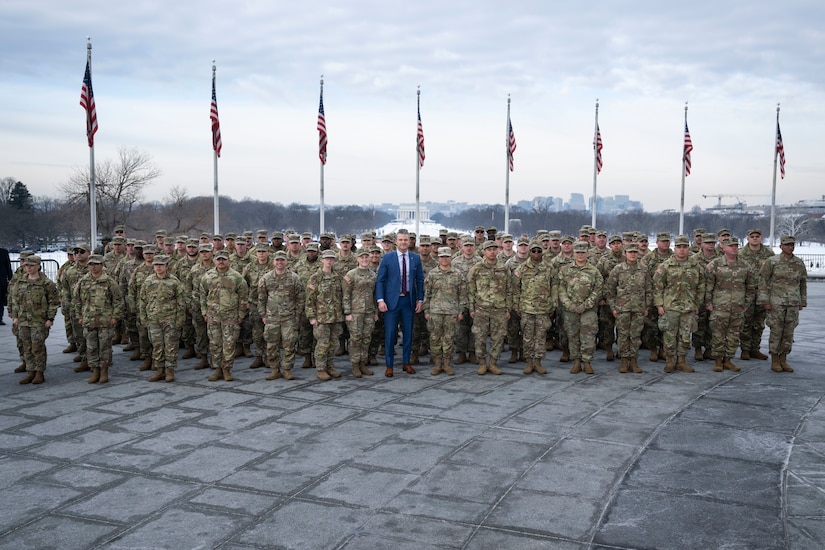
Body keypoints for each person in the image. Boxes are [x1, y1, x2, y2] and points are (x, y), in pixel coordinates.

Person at [375, 228, 424, 377]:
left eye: (406, 240)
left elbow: (420, 280)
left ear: (409, 242)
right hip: (391, 302)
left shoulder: (415, 258)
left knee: (408, 333)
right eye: (400, 240)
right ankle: (389, 365)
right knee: (390, 333)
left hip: (408, 301)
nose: (403, 242)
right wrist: (380, 300)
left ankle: (406, 362)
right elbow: (380, 281)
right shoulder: (388, 258)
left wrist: (420, 299)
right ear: (396, 242)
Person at [653, 235, 705, 373]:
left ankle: (681, 361)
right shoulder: (665, 266)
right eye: (679, 247)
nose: (682, 250)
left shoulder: (695, 266)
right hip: (670, 307)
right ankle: (669, 361)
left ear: (689, 248)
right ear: (674, 248)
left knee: (685, 336)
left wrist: (697, 304)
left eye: (685, 247)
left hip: (688, 307)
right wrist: (659, 305)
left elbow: (701, 287)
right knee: (669, 336)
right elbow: (658, 287)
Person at [705, 237, 755, 372]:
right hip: (719, 307)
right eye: (731, 245)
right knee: (718, 335)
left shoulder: (745, 265)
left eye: (736, 245)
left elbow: (751, 287)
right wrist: (708, 303)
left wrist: (746, 304)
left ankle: (728, 360)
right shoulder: (715, 264)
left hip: (738, 307)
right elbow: (708, 285)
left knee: (734, 336)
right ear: (723, 248)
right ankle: (717, 361)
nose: (734, 248)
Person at [758, 235, 807, 373]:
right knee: (776, 331)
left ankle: (784, 358)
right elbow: (763, 282)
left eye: (792, 244)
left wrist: (802, 301)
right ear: (781, 246)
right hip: (776, 303)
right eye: (787, 245)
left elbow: (802, 283)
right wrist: (764, 301)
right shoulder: (772, 262)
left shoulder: (798, 263)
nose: (790, 247)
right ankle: (775, 359)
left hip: (792, 303)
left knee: (789, 332)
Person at [9, 255, 59, 384]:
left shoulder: (47, 283)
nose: (28, 268)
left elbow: (53, 302)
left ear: (38, 266)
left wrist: (50, 318)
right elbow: (14, 300)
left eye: (31, 265)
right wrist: (15, 316)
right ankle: (30, 371)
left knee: (38, 347)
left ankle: (39, 372)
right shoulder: (20, 282)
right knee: (27, 347)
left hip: (39, 320)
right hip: (23, 320)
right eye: (26, 265)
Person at [199, 250, 248, 381]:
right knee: (215, 343)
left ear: (228, 261)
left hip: (230, 317)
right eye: (219, 259)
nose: (221, 261)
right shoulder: (207, 276)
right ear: (214, 260)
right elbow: (202, 295)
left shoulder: (236, 277)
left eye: (224, 259)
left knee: (229, 344)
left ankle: (227, 369)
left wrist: (241, 314)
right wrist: (204, 312)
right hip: (213, 316)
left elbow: (243, 297)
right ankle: (217, 369)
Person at [74, 254, 123, 384]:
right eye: (91, 264)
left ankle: (104, 371)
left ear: (102, 265)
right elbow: (77, 300)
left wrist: (115, 317)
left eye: (96, 264)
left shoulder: (109, 282)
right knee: (91, 347)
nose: (93, 267)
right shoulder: (83, 281)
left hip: (105, 321)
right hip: (89, 320)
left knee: (105, 347)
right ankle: (95, 370)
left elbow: (118, 300)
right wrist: (79, 316)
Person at [258, 251, 304, 380]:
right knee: (271, 344)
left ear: (286, 261)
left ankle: (287, 369)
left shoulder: (294, 278)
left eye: (282, 260)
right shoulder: (266, 278)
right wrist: (263, 314)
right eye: (277, 260)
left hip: (289, 317)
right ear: (273, 262)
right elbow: (261, 298)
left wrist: (298, 314)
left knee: (289, 344)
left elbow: (300, 298)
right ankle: (275, 369)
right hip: (271, 317)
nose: (280, 263)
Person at [139, 254, 186, 382]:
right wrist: (143, 317)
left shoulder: (174, 282)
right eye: (156, 265)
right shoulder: (148, 281)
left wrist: (180, 320)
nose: (158, 267)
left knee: (171, 345)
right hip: (153, 319)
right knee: (157, 345)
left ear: (166, 266)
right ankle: (159, 370)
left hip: (170, 319)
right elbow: (142, 301)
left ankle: (170, 370)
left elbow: (181, 302)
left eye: (161, 265)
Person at [468, 240, 512, 375]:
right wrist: (471, 308)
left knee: (498, 337)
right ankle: (482, 363)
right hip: (481, 308)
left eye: (494, 249)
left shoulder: (504, 268)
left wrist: (508, 308)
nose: (492, 252)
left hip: (499, 309)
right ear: (484, 252)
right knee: (480, 337)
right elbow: (470, 290)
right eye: (489, 249)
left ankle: (493, 363)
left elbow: (509, 289)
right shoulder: (476, 268)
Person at [558, 242, 603, 374]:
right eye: (578, 252)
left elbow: (598, 290)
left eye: (583, 252)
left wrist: (586, 305)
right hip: (570, 310)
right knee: (573, 336)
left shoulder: (594, 271)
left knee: (588, 336)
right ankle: (576, 361)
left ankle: (587, 362)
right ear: (574, 253)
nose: (580, 255)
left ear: (587, 253)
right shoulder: (565, 270)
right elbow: (561, 289)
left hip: (588, 310)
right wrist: (569, 304)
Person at [513, 240, 555, 375]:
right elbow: (515, 289)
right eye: (533, 251)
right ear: (530, 252)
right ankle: (529, 362)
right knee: (527, 337)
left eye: (539, 251)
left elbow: (554, 287)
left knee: (541, 336)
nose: (536, 254)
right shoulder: (522, 268)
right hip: (527, 309)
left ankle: (538, 362)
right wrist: (517, 306)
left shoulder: (549, 268)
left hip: (543, 309)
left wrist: (553, 304)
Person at [423, 247, 467, 375]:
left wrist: (461, 311)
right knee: (435, 338)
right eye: (442, 256)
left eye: (447, 256)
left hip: (452, 312)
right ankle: (437, 364)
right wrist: (426, 311)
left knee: (449, 338)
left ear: (451, 258)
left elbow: (462, 295)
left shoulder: (458, 274)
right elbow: (427, 294)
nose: (444, 259)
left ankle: (447, 364)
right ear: (438, 258)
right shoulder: (432, 274)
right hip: (435, 311)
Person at [606, 243, 649, 373]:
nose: (633, 254)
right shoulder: (618, 269)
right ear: (625, 253)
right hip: (622, 308)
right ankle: (624, 361)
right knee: (623, 335)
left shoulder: (643, 269)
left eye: (635, 252)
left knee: (635, 336)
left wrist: (646, 306)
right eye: (630, 252)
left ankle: (634, 361)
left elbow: (649, 290)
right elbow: (610, 290)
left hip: (638, 309)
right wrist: (613, 307)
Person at [305, 250, 345, 380]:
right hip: (321, 318)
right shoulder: (315, 278)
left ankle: (330, 366)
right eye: (327, 259)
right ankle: (321, 369)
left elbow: (342, 296)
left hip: (336, 316)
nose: (329, 261)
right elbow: (309, 299)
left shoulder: (338, 277)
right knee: (322, 345)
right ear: (322, 260)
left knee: (333, 344)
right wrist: (311, 317)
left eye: (331, 259)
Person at [738, 228, 775, 360]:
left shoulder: (769, 253)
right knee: (746, 322)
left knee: (759, 323)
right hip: (746, 293)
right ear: (747, 238)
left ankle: (755, 348)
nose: (754, 238)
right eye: (752, 236)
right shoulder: (741, 253)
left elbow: (772, 274)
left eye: (757, 236)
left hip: (762, 293)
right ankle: (745, 349)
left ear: (761, 238)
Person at [342, 249, 377, 377]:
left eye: (366, 257)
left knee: (366, 338)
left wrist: (375, 312)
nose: (364, 260)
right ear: (357, 259)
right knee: (355, 339)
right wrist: (347, 312)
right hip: (355, 312)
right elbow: (346, 295)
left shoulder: (373, 275)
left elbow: (374, 295)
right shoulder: (350, 275)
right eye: (361, 257)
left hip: (369, 312)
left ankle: (363, 363)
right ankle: (355, 365)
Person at [0, 245, 13, 325]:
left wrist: (10, 279)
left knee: (1, 300)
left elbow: (8, 266)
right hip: (2, 279)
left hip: (1, 280)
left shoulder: (3, 252)